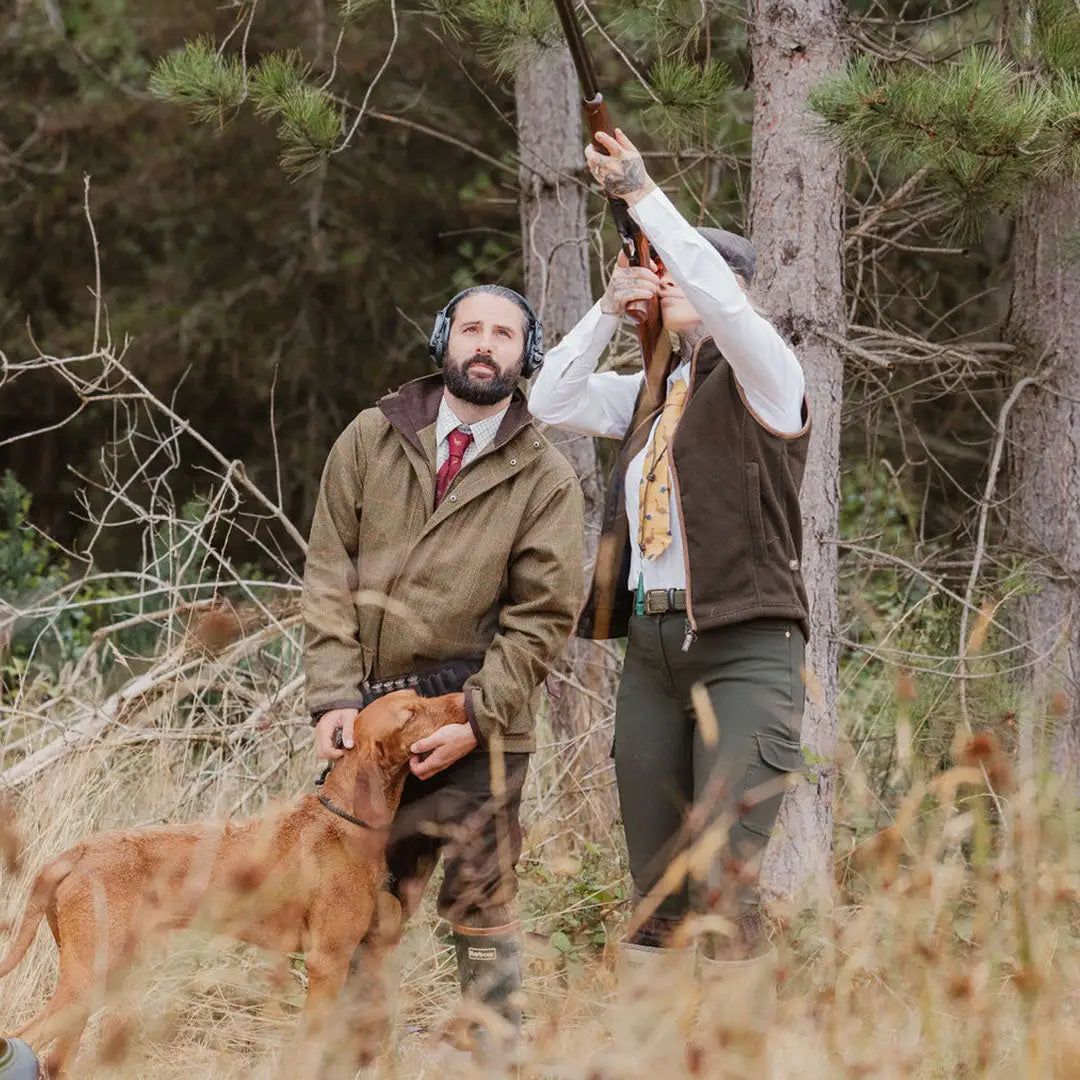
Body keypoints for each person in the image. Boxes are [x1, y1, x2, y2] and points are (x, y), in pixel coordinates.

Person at [529, 130, 809, 995]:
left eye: (685, 273)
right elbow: (551, 398)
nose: (673, 284)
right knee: (654, 889)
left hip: (746, 646)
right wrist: (610, 308)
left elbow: (724, 306)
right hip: (651, 651)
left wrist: (646, 195)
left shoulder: (769, 373)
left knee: (724, 882)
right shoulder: (655, 392)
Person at [301, 285, 584, 1056]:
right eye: (471, 329)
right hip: (368, 719)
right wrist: (332, 698)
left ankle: (497, 1055)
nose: (485, 344)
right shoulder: (369, 437)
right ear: (443, 340)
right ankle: (358, 1059)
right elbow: (329, 573)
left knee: (478, 895)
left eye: (504, 334)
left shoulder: (544, 472)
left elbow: (542, 617)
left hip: (479, 716)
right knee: (358, 891)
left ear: (526, 355)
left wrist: (473, 718)